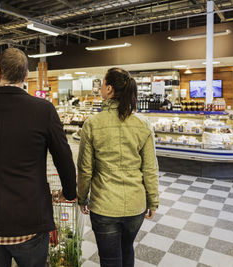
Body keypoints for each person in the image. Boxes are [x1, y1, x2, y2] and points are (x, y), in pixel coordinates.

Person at [0, 48, 77, 267]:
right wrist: (69, 192)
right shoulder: (44, 110)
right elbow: (63, 157)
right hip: (30, 219)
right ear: (27, 75)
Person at [77, 67, 159, 267]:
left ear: (110, 89)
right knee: (126, 249)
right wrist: (153, 201)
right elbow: (150, 168)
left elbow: (85, 169)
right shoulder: (143, 124)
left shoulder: (92, 124)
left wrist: (82, 197)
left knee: (110, 259)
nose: (101, 88)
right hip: (135, 206)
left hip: (104, 206)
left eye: (103, 84)